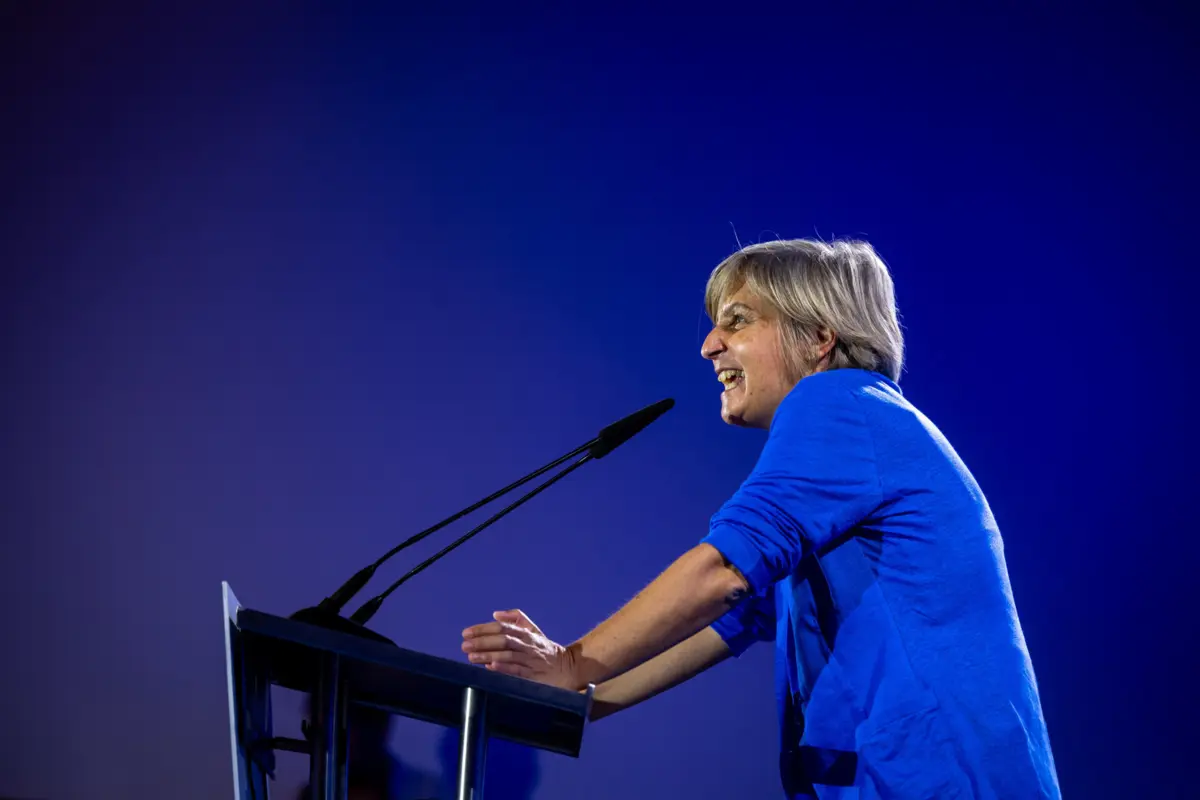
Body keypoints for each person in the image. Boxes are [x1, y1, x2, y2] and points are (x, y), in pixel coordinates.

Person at [461, 238, 1061, 799]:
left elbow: (722, 572)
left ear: (818, 337)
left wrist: (568, 665)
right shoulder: (868, 428)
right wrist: (579, 699)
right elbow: (732, 619)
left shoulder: (838, 402)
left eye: (739, 320)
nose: (709, 345)